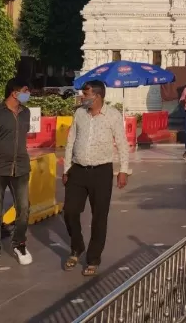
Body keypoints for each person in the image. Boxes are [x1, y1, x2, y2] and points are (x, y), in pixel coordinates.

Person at [62, 80, 131, 276]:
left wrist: (123, 170)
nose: (83, 98)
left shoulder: (113, 115)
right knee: (69, 211)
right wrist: (67, 169)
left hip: (101, 171)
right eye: (83, 95)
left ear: (98, 96)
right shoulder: (79, 114)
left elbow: (122, 143)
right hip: (78, 169)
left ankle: (93, 258)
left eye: (86, 95)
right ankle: (77, 246)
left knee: (99, 216)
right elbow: (70, 141)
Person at [0, 78, 34, 273]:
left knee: (24, 209)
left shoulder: (26, 113)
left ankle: (19, 244)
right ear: (14, 92)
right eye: (26, 90)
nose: (28, 95)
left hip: (20, 168)